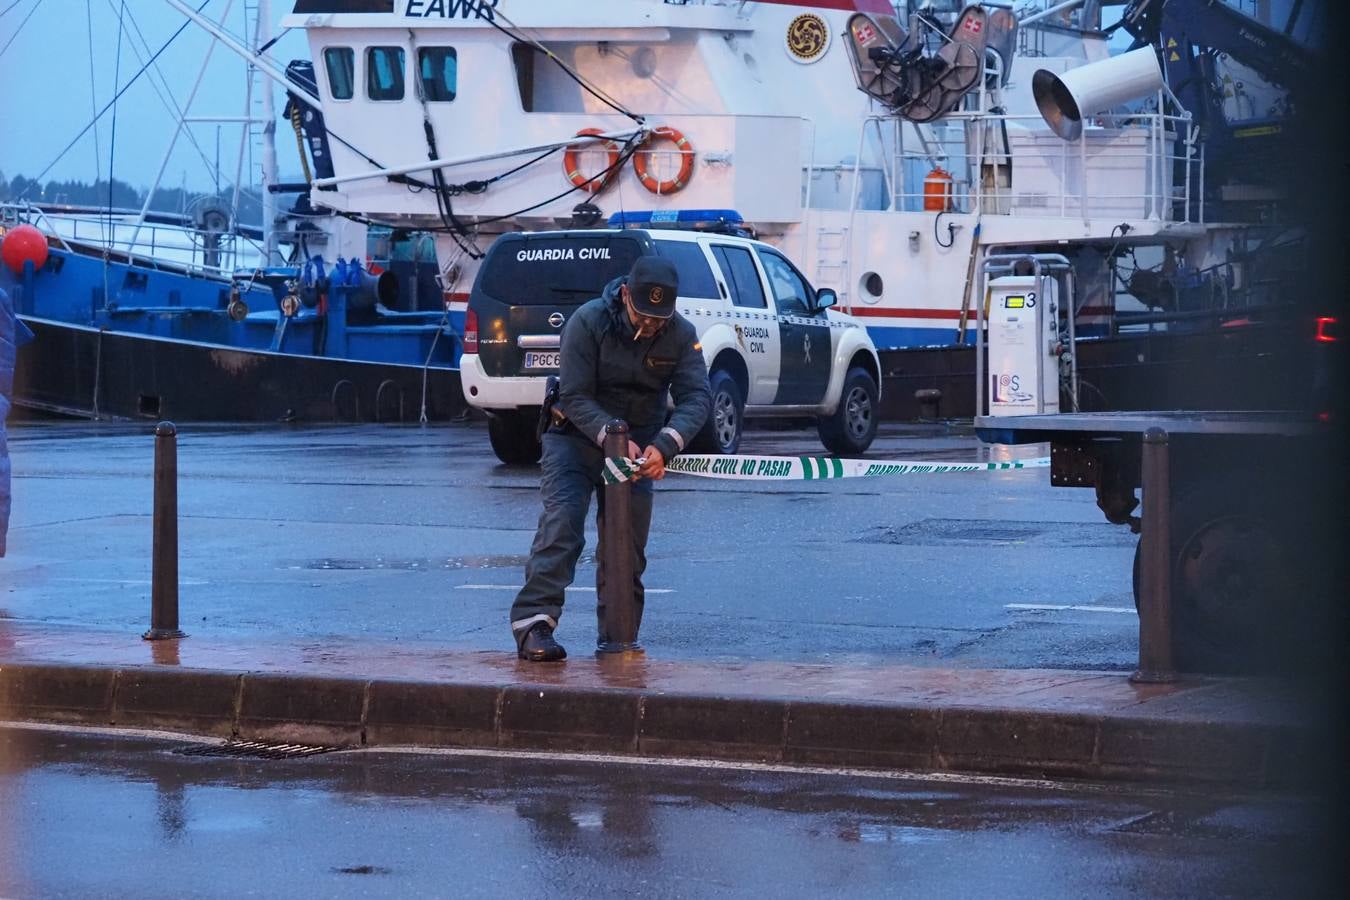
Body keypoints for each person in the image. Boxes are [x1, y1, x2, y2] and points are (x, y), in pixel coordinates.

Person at [511, 255, 711, 661]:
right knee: (562, 526)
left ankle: (619, 635)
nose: (651, 325)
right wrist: (610, 436)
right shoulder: (588, 322)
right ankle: (534, 625)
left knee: (627, 543)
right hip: (575, 440)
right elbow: (575, 395)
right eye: (643, 314)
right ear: (625, 295)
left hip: (638, 449)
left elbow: (697, 397)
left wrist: (666, 443)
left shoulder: (680, 334)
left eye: (660, 317)